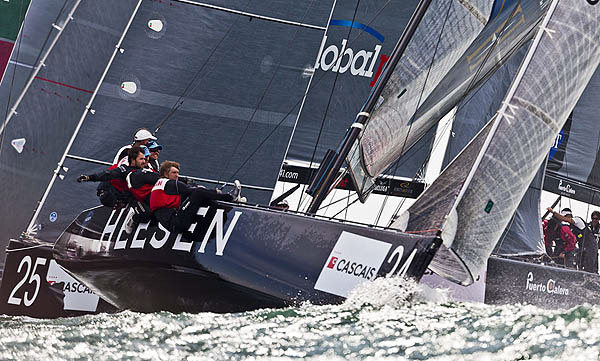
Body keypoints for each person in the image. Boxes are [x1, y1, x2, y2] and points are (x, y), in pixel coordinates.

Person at [150, 161, 243, 233]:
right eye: (174, 173)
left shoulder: (160, 184)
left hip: (172, 222)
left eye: (178, 173)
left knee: (197, 194)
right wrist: (214, 191)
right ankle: (231, 197)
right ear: (166, 174)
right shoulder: (170, 183)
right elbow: (192, 191)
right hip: (176, 223)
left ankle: (227, 200)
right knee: (198, 192)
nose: (177, 175)